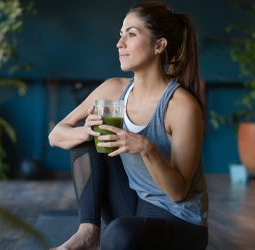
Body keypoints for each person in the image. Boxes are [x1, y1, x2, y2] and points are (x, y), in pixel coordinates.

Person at [47, 2, 208, 249]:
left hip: (180, 221)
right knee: (86, 141)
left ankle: (112, 236)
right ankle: (88, 232)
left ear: (159, 45)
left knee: (119, 233)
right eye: (121, 34)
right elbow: (56, 135)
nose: (119, 43)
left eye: (131, 34)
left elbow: (178, 193)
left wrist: (146, 148)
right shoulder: (114, 89)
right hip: (136, 204)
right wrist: (85, 131)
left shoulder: (180, 106)